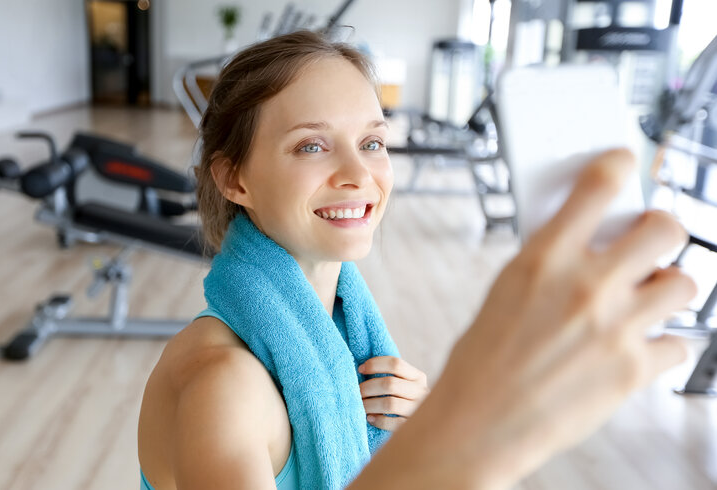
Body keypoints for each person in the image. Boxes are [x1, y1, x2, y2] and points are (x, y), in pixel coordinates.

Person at [137, 31, 696, 490]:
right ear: (234, 177)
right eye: (312, 145)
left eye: (373, 142)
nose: (359, 174)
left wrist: (423, 426)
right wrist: (463, 432)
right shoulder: (223, 386)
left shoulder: (342, 347)